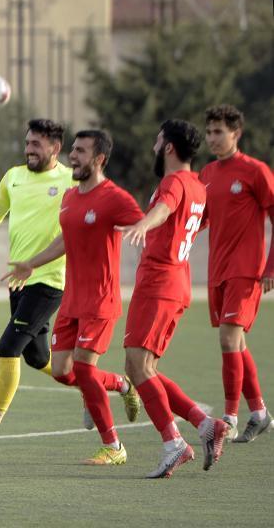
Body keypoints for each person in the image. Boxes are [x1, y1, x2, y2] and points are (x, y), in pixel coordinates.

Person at [2, 130, 143, 465]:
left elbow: (146, 227)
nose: (73, 156)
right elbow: (65, 240)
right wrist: (31, 263)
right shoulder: (70, 197)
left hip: (100, 300)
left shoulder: (115, 198)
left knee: (84, 368)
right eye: (74, 150)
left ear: (99, 159)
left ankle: (114, 446)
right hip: (72, 299)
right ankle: (121, 385)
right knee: (64, 372)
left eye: (81, 151)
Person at [0, 119, 77, 450]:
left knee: (8, 347)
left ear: (55, 148)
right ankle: (104, 387)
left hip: (49, 280)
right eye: (27, 143)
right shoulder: (13, 176)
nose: (28, 150)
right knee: (39, 358)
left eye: (36, 144)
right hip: (18, 281)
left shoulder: (70, 180)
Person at [115, 119, 228, 479]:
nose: (153, 146)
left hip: (160, 281)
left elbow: (165, 208)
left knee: (138, 366)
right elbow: (197, 220)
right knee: (142, 367)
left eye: (157, 140)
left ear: (168, 147)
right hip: (176, 281)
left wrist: (144, 224)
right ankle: (206, 425)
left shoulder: (175, 182)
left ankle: (174, 444)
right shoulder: (197, 185)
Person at [199, 104, 274, 443]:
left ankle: (229, 417)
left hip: (246, 270)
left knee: (229, 339)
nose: (212, 138)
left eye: (218, 132)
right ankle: (259, 413)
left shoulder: (255, 171)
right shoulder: (207, 173)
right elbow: (199, 219)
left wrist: (271, 267)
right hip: (217, 270)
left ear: (236, 133)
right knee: (237, 343)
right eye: (209, 132)